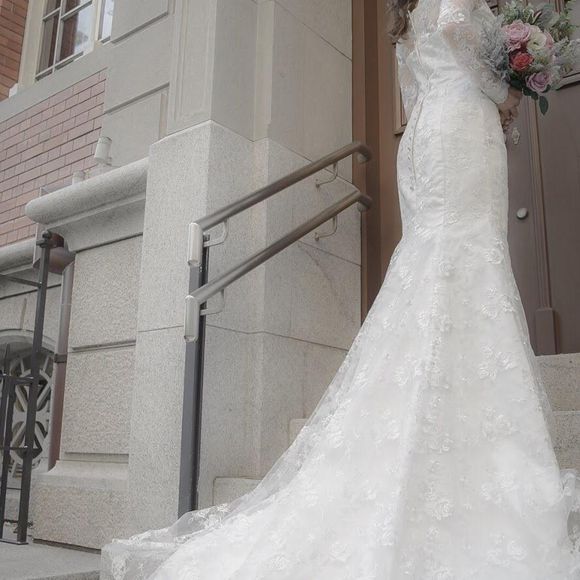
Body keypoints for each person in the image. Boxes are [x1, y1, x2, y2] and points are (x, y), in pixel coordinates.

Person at [101, 0, 580, 577]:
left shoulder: (407, 15)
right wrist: (503, 93)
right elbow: (457, 26)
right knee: (466, 258)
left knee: (440, 262)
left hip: (429, 132)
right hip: (460, 128)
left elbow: (414, 87)